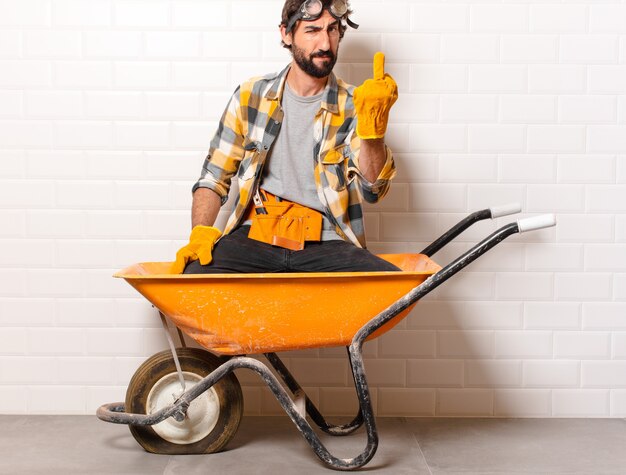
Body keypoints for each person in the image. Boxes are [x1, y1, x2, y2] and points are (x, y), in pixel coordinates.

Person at [172, 0, 400, 274]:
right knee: (192, 279)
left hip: (327, 242)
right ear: (286, 34)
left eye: (332, 30)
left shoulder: (357, 103)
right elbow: (213, 178)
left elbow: (372, 192)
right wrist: (199, 234)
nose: (325, 44)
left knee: (388, 290)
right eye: (312, 30)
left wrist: (373, 133)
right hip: (255, 236)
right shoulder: (250, 96)